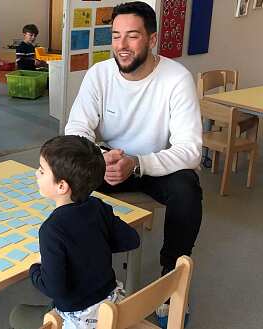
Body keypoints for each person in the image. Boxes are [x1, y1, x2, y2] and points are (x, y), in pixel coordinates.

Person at [64, 2, 201, 326]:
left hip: (153, 163)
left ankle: (172, 279)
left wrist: (138, 163)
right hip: (109, 159)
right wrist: (99, 156)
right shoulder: (99, 74)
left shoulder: (176, 78)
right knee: (67, 176)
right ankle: (87, 278)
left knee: (187, 189)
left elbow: (190, 150)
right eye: (116, 36)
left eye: (132, 36)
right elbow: (76, 129)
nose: (122, 46)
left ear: (152, 39)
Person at [11, 135, 140, 329]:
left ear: (62, 186)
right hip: (112, 305)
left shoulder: (51, 230)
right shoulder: (97, 206)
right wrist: (94, 244)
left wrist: (34, 269)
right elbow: (131, 239)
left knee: (16, 316)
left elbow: (55, 288)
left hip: (80, 319)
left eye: (41, 170)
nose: (37, 174)